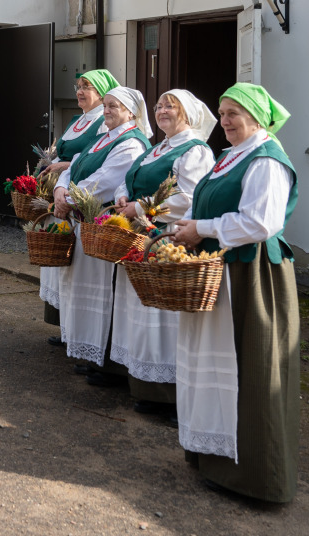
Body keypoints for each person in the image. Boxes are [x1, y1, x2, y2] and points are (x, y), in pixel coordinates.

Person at [172, 83, 299, 503]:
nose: (225, 121)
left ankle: (253, 477)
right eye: (222, 113)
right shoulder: (229, 157)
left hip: (252, 274)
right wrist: (186, 227)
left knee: (250, 369)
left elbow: (261, 223)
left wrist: (203, 229)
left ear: (258, 118)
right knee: (210, 363)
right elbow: (201, 200)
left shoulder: (266, 160)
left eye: (234, 113)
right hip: (216, 268)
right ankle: (211, 456)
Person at [111, 90, 216, 423]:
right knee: (144, 311)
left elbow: (189, 197)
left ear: (188, 112)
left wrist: (141, 207)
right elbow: (128, 179)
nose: (162, 110)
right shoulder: (158, 148)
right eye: (158, 106)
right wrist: (122, 197)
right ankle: (144, 385)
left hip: (169, 239)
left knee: (165, 316)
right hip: (143, 235)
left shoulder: (196, 150)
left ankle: (169, 393)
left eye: (171, 106)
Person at [52, 86, 152, 380]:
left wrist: (66, 198)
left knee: (103, 294)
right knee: (82, 289)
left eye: (114, 106)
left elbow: (104, 182)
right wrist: (60, 189)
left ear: (131, 112)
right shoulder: (104, 137)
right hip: (84, 221)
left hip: (106, 227)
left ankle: (105, 358)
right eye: (105, 105)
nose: (106, 111)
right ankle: (87, 350)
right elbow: (73, 168)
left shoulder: (131, 143)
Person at [39, 69, 120, 340]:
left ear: (103, 93)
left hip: (83, 198)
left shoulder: (102, 122)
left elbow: (95, 159)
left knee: (77, 265)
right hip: (64, 191)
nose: (80, 91)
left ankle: (78, 333)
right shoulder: (78, 120)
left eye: (88, 86)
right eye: (79, 86)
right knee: (61, 262)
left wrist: (65, 167)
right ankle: (66, 327)